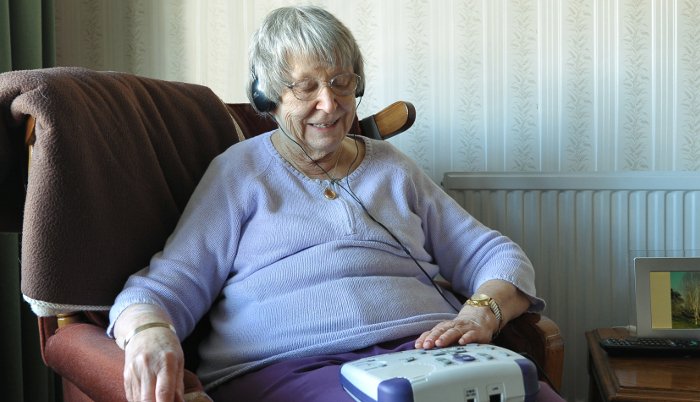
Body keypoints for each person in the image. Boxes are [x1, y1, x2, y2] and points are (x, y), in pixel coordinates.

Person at [109, 5, 562, 402]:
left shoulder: (392, 167)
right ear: (269, 96)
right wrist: (149, 332)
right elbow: (163, 287)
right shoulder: (239, 173)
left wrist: (482, 311)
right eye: (306, 87)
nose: (329, 104)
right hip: (293, 368)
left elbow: (495, 254)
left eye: (341, 82)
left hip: (430, 356)